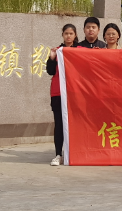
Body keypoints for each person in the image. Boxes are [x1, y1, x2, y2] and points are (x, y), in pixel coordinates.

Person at [47, 24, 78, 166]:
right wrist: (51, 58)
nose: (68, 36)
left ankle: (73, 154)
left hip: (75, 94)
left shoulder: (79, 51)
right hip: (58, 93)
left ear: (75, 35)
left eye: (71, 33)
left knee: (75, 124)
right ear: (62, 35)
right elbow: (50, 71)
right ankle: (58, 154)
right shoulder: (57, 51)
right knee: (59, 124)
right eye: (66, 33)